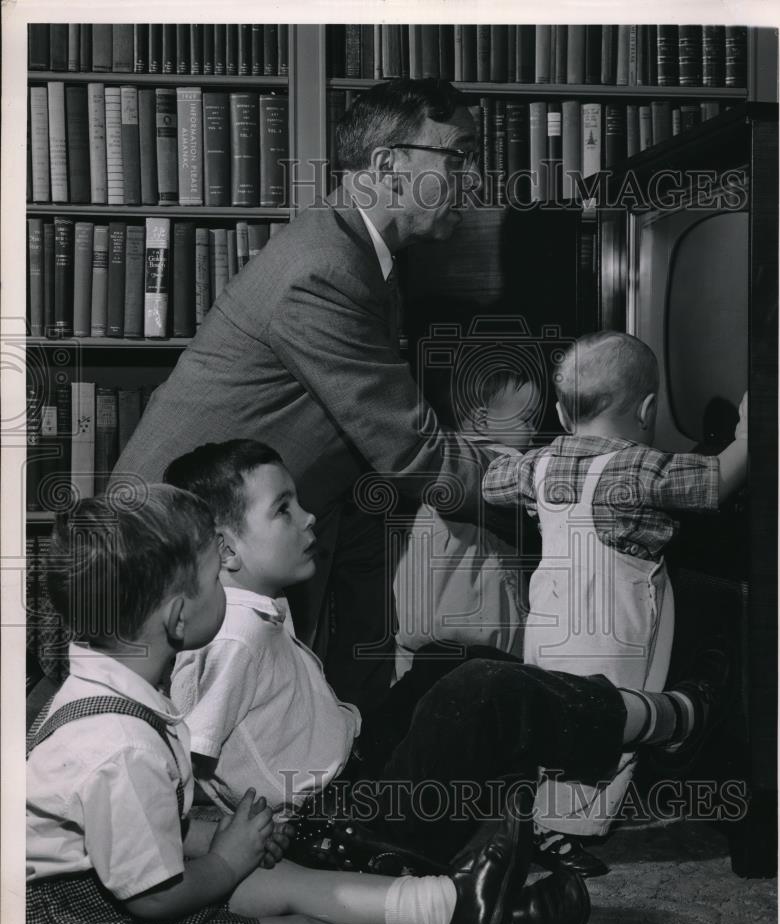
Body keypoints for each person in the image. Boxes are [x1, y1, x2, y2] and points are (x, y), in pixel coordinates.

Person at [26, 485, 587, 924]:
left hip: (116, 890)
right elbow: (151, 896)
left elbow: (144, 826)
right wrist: (225, 860)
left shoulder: (119, 695)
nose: (227, 584)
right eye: (215, 577)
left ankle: (453, 901)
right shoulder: (117, 747)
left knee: (284, 880)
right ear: (177, 617)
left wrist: (224, 838)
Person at [111, 77, 499, 713]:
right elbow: (411, 452)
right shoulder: (325, 271)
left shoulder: (360, 257)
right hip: (164, 571)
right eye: (460, 155)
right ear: (387, 167)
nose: (476, 178)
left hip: (224, 558)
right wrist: (558, 484)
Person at [163, 438, 734, 868]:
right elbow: (185, 752)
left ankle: (526, 805)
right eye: (283, 508)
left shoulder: (252, 609)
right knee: (480, 690)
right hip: (341, 828)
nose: (308, 516)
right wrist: (225, 845)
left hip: (356, 774)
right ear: (225, 549)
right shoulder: (235, 634)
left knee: (446, 661)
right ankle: (671, 719)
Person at [482, 329, 748, 877]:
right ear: (648, 409)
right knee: (610, 728)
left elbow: (492, 481)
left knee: (561, 724)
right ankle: (558, 832)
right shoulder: (639, 468)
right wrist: (751, 432)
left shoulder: (541, 464)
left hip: (552, 624)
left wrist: (510, 454)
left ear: (559, 409)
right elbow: (715, 482)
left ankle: (541, 822)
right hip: (613, 626)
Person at [393, 350, 541, 678]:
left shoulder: (432, 463)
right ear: (480, 420)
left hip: (414, 635)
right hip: (479, 636)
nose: (533, 432)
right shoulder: (503, 463)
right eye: (526, 419)